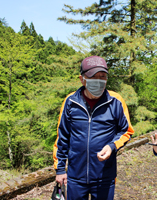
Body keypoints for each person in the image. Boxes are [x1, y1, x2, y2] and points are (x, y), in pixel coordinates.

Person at [53, 55, 134, 200]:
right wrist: (60, 170)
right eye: (93, 76)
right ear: (82, 79)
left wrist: (112, 146)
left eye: (102, 76)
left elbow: (126, 130)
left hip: (104, 176)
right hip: (75, 176)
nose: (98, 81)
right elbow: (62, 137)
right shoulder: (70, 102)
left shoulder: (116, 102)